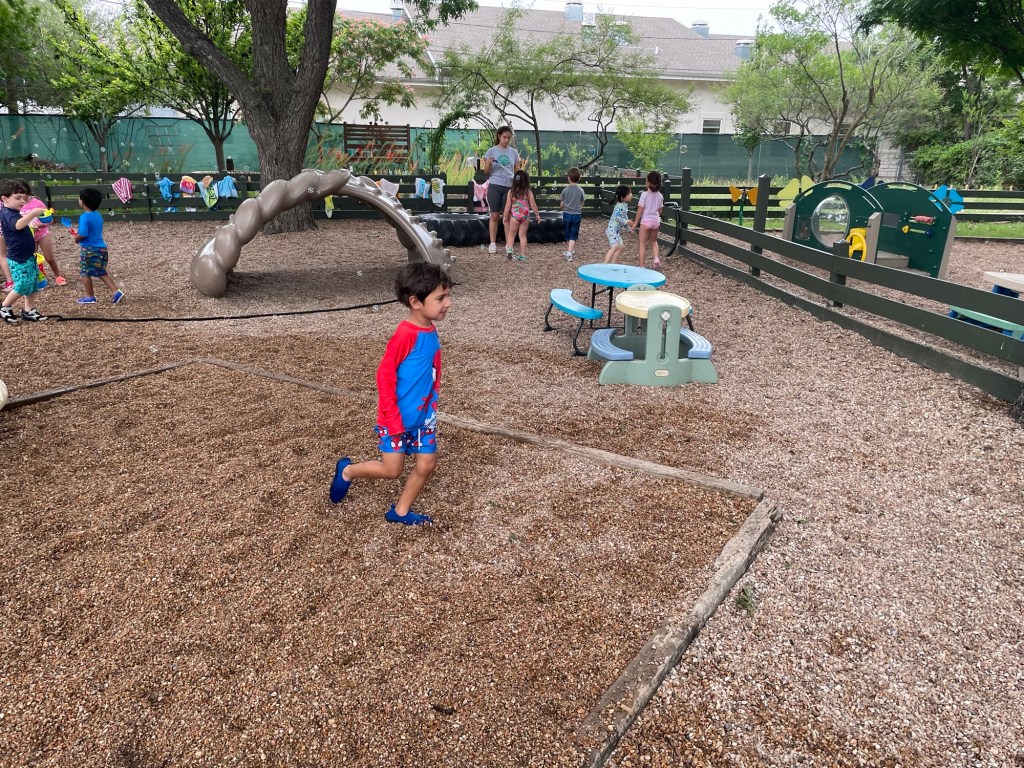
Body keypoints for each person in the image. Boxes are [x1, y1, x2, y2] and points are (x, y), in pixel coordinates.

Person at [329, 261, 453, 526]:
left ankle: (400, 511)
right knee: (392, 470)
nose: (447, 303)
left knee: (426, 464)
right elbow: (384, 376)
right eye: (441, 298)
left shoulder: (430, 328)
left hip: (424, 418)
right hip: (395, 418)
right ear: (415, 302)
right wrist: (392, 418)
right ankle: (348, 471)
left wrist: (431, 404)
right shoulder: (405, 335)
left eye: (448, 296)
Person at [0, 178, 48, 324]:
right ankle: (4, 307)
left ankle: (29, 310)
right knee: (22, 284)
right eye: (18, 198)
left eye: (23, 198)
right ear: (4, 199)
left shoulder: (14, 211)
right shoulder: (7, 213)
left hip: (27, 255)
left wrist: (31, 224)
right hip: (18, 257)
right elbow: (17, 226)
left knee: (32, 282)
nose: (22, 201)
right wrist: (32, 214)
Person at [74, 187, 125, 305]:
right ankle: (116, 292)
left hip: (89, 249)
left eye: (79, 198)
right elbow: (92, 231)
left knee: (85, 272)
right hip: (102, 248)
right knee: (101, 271)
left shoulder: (84, 217)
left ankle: (90, 297)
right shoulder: (98, 215)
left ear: (83, 202)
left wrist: (76, 238)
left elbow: (83, 234)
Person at [481, 126, 521, 254]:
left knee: (507, 216)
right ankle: (492, 243)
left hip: (509, 188)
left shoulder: (514, 152)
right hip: (494, 185)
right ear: (499, 136)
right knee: (494, 215)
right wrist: (489, 163)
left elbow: (517, 172)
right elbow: (486, 172)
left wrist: (519, 183)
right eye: (504, 137)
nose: (507, 140)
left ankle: (509, 244)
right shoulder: (491, 151)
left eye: (509, 138)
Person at [502, 169, 541, 261]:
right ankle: (522, 255)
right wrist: (537, 215)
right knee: (522, 236)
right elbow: (533, 204)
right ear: (526, 181)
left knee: (511, 234)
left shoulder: (511, 192)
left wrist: (505, 216)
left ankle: (510, 249)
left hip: (515, 216)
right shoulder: (528, 192)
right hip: (525, 216)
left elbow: (507, 205)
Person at [26, 195, 66, 286]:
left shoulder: (37, 203)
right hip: (29, 236)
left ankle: (58, 276)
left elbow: (49, 220)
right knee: (33, 259)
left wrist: (39, 226)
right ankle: (37, 278)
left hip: (42, 234)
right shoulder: (16, 205)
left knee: (49, 258)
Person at [632, 170, 665, 268]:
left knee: (642, 244)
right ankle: (656, 258)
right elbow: (660, 211)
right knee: (654, 242)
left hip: (646, 222)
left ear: (648, 182)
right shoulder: (660, 196)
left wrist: (635, 223)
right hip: (656, 222)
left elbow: (640, 210)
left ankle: (642, 266)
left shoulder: (644, 195)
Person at [559, 166, 585, 261]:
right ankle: (571, 250)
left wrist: (562, 207)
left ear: (568, 178)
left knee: (568, 233)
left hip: (566, 214)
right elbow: (582, 203)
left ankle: (569, 252)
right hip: (576, 215)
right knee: (573, 234)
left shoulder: (565, 190)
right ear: (579, 178)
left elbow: (561, 204)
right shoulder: (581, 190)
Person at [603, 184, 632, 264]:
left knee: (621, 247)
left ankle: (613, 264)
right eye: (629, 194)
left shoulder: (624, 205)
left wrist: (628, 228)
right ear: (622, 197)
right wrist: (627, 222)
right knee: (615, 247)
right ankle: (604, 264)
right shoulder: (619, 206)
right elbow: (617, 217)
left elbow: (624, 218)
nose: (631, 195)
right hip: (612, 231)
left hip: (616, 232)